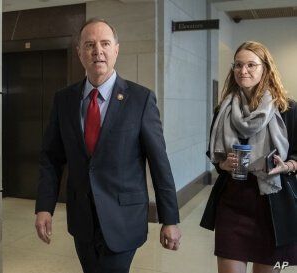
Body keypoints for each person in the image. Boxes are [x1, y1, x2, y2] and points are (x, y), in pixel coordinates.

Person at [34, 18, 181, 273]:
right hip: (82, 219)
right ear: (79, 52)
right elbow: (51, 158)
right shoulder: (64, 100)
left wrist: (170, 219)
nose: (97, 51)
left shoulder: (140, 99)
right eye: (89, 44)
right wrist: (44, 207)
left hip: (123, 217)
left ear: (116, 49)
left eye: (104, 43)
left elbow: (159, 163)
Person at [201, 41, 297, 273]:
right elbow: (214, 153)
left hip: (272, 207)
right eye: (238, 65)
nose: (243, 71)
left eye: (251, 65)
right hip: (232, 204)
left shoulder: (287, 108)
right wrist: (222, 164)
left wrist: (288, 165)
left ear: (265, 69)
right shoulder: (222, 109)